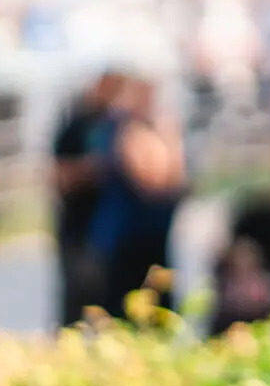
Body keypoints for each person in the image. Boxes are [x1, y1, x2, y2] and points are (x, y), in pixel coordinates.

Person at [87, 75, 187, 315]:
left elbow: (176, 179)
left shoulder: (152, 127)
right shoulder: (123, 129)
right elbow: (151, 181)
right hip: (128, 242)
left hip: (154, 239)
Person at [49, 68, 125, 325]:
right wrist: (92, 169)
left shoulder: (121, 123)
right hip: (79, 230)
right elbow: (57, 175)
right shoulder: (78, 123)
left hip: (111, 233)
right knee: (76, 303)